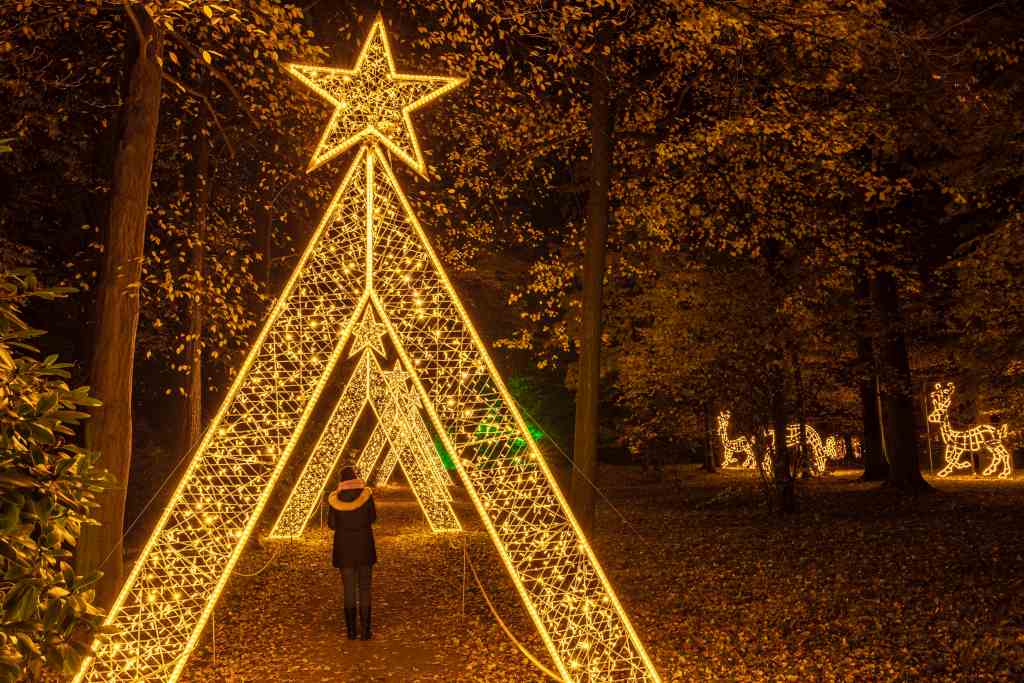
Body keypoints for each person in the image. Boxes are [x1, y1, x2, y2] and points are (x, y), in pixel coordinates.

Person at [326, 465, 377, 640]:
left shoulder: (335, 498)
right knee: (364, 588)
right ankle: (366, 631)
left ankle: (350, 631)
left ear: (341, 480)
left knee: (349, 589)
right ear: (355, 478)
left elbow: (332, 524)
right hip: (364, 546)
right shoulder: (366, 495)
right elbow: (373, 518)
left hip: (344, 548)